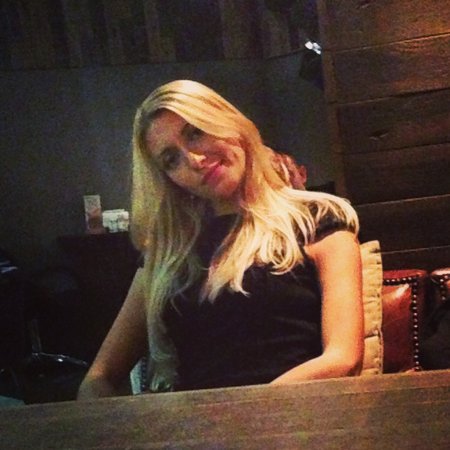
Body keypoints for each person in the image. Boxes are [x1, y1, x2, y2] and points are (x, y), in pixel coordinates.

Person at [77, 80, 364, 398]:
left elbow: (343, 358)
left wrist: (249, 412)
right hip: (193, 424)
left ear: (228, 122)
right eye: (171, 159)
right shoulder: (170, 251)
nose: (194, 160)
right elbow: (98, 378)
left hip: (296, 416)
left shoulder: (317, 217)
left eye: (195, 132)